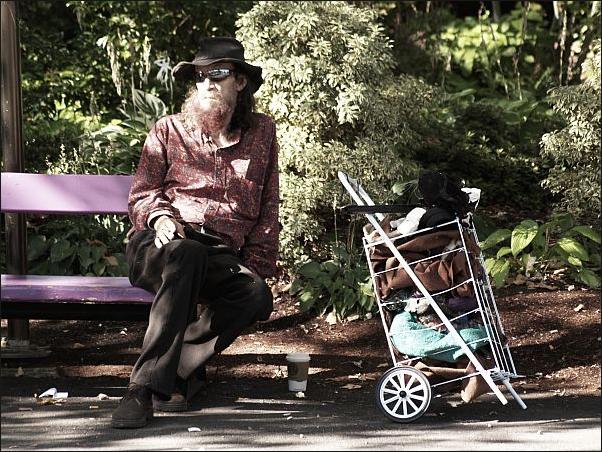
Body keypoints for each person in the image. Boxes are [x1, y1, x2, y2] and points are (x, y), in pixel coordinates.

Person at [111, 36, 279, 429]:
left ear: (240, 81)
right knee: (186, 253)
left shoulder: (262, 133)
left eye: (217, 73)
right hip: (161, 243)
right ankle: (141, 389)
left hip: (218, 253)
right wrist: (160, 218)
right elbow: (142, 195)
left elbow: (268, 206)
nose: (206, 83)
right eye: (199, 76)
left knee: (256, 294)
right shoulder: (168, 130)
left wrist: (255, 267)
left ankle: (180, 364)